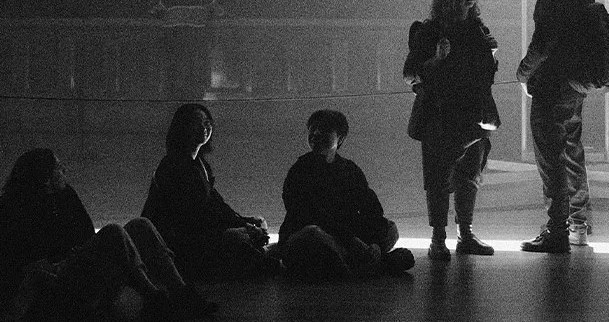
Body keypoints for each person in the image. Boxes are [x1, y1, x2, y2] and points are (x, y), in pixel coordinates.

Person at [0, 148, 215, 321]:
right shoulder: (14, 209)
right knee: (113, 232)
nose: (64, 170)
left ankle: (181, 292)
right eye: (58, 167)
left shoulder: (66, 196)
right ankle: (154, 297)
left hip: (77, 261)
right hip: (58, 277)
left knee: (141, 225)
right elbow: (22, 261)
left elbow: (85, 232)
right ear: (44, 176)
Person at [403, 0, 500, 261]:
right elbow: (410, 74)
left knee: (470, 177)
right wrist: (436, 59)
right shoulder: (429, 31)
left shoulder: (478, 31)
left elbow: (485, 75)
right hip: (440, 116)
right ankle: (438, 237)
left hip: (472, 117)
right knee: (437, 179)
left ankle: (465, 233)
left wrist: (491, 56)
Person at [517, 0, 595, 252]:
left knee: (550, 158)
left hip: (550, 86)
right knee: (572, 152)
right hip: (575, 86)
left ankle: (556, 230)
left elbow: (544, 42)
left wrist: (523, 73)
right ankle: (578, 224)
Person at [141, 103, 274, 280]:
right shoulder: (172, 166)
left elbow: (216, 204)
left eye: (207, 122)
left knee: (256, 228)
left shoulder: (200, 166)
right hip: (181, 244)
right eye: (197, 122)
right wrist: (233, 230)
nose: (204, 127)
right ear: (182, 127)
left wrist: (245, 222)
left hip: (199, 236)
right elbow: (191, 218)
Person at [278, 109, 415, 278]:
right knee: (312, 235)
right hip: (318, 236)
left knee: (390, 228)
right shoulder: (300, 170)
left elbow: (371, 208)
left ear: (340, 138)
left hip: (345, 238)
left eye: (324, 129)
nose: (316, 133)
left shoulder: (350, 170)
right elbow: (309, 216)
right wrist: (352, 241)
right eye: (313, 129)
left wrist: (374, 243)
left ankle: (355, 262)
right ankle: (370, 265)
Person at [151, 0, 223, 101]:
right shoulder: (169, 0)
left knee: (196, 86)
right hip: (176, 47)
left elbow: (219, 13)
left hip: (197, 47)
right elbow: (154, 14)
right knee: (176, 85)